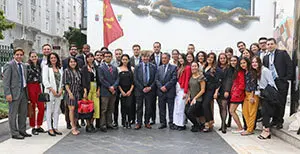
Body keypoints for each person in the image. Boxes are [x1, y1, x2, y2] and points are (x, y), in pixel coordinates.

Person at [263, 38, 293, 129]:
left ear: (275, 45)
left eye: (271, 44)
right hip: (271, 83)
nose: (270, 46)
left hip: (281, 81)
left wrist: (286, 78)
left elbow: (289, 65)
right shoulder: (266, 57)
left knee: (281, 102)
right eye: (268, 44)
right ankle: (274, 120)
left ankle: (280, 121)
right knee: (273, 101)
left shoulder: (282, 53)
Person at [3, 48, 31, 139]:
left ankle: (22, 131)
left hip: (23, 92)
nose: (19, 56)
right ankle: (14, 133)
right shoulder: (9, 65)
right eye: (17, 54)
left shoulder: (24, 65)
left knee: (23, 113)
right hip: (13, 93)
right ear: (14, 55)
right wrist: (8, 94)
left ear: (23, 56)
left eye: (21, 55)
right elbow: (6, 81)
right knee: (13, 114)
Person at [252, 56, 277, 139]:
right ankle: (265, 130)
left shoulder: (265, 70)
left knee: (265, 112)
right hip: (263, 94)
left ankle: (266, 131)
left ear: (260, 63)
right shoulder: (256, 71)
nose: (254, 64)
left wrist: (264, 92)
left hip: (269, 94)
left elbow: (271, 83)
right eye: (252, 62)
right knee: (264, 112)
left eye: (256, 62)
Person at [62, 45, 84, 130]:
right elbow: (65, 83)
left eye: (74, 62)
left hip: (77, 93)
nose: (73, 63)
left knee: (75, 110)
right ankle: (73, 127)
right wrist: (70, 93)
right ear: (68, 63)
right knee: (71, 110)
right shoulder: (66, 71)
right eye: (71, 62)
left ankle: (75, 124)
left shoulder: (78, 71)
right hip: (70, 93)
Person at [42, 52, 64, 136]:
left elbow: (62, 80)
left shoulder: (60, 68)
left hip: (59, 92)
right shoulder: (46, 67)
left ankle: (55, 127)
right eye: (51, 58)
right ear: (49, 59)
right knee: (49, 110)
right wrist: (52, 90)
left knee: (56, 110)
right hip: (50, 92)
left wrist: (61, 89)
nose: (53, 59)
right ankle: (50, 128)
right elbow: (45, 81)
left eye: (55, 58)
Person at [134, 50, 156, 129]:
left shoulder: (153, 67)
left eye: (147, 56)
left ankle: (147, 122)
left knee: (149, 107)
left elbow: (155, 79)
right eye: (144, 57)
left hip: (150, 90)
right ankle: (138, 122)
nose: (145, 58)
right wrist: (142, 88)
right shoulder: (137, 67)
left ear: (149, 57)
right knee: (139, 107)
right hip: (140, 90)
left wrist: (150, 87)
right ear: (141, 58)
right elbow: (135, 79)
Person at [98, 51, 119, 132]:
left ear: (111, 57)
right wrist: (109, 87)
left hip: (113, 91)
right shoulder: (101, 68)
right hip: (105, 91)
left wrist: (114, 87)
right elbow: (101, 79)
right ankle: (103, 125)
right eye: (106, 56)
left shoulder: (114, 68)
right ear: (103, 57)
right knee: (104, 109)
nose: (108, 58)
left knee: (111, 108)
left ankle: (109, 123)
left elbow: (117, 78)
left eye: (109, 56)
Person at [156, 53, 177, 129]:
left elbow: (174, 79)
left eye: (165, 58)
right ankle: (163, 123)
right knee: (161, 108)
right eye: (162, 58)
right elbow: (157, 79)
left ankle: (171, 123)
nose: (164, 59)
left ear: (169, 59)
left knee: (171, 108)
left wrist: (166, 86)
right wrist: (161, 87)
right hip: (161, 92)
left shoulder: (174, 68)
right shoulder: (159, 68)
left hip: (170, 91)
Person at [27, 51, 46, 135]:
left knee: (41, 107)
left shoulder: (39, 66)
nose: (34, 58)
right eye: (32, 56)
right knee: (32, 107)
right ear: (30, 58)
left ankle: (38, 125)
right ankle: (32, 126)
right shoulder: (27, 66)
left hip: (39, 86)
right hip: (31, 86)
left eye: (35, 56)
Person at [202, 52, 221, 132]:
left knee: (205, 105)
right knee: (205, 106)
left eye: (212, 57)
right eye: (208, 57)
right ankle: (210, 121)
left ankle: (208, 122)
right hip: (204, 89)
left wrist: (216, 92)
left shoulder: (216, 69)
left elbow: (219, 82)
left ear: (214, 59)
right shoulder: (205, 66)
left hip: (211, 89)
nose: (210, 59)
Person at [82, 53, 100, 132]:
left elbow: (99, 79)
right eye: (88, 57)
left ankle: (92, 123)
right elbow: (83, 80)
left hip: (95, 87)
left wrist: (98, 89)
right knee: (87, 107)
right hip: (88, 88)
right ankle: (88, 124)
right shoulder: (84, 68)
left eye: (91, 57)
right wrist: (85, 91)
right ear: (86, 59)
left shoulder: (96, 67)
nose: (90, 58)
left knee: (95, 107)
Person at [185, 62, 206, 132]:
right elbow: (190, 88)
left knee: (189, 112)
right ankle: (196, 124)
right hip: (191, 98)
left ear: (198, 67)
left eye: (195, 66)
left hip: (198, 99)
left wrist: (195, 98)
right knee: (186, 111)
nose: (193, 68)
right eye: (192, 66)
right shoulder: (191, 77)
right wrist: (189, 97)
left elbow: (202, 90)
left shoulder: (201, 77)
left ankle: (197, 125)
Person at [241, 57, 259, 136]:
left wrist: (252, 96)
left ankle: (249, 129)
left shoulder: (252, 72)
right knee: (245, 111)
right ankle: (249, 128)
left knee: (252, 112)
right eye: (241, 63)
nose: (242, 65)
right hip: (246, 93)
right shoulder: (245, 72)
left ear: (248, 63)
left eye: (244, 63)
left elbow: (253, 85)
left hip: (253, 94)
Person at [173, 54, 191, 131]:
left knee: (181, 107)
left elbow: (187, 80)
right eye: (179, 58)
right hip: (177, 89)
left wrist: (186, 92)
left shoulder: (187, 68)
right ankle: (176, 123)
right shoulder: (179, 67)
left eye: (182, 58)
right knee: (176, 107)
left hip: (183, 89)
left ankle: (181, 124)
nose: (180, 60)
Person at [229, 57, 246, 134]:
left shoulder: (240, 72)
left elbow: (242, 85)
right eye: (231, 61)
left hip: (237, 94)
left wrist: (236, 93)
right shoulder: (236, 71)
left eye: (235, 61)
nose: (233, 62)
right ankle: (240, 127)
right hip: (235, 93)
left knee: (232, 111)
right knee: (232, 111)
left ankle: (240, 127)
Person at [118, 54, 134, 128]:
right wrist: (121, 91)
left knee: (129, 106)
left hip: (130, 90)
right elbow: (117, 82)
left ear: (128, 60)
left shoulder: (132, 69)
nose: (124, 61)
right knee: (123, 107)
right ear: (121, 60)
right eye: (123, 59)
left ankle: (130, 121)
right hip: (121, 90)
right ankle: (124, 121)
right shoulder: (118, 69)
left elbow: (133, 82)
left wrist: (130, 91)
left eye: (126, 59)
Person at [216, 53, 230, 134]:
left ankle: (224, 126)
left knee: (224, 107)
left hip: (225, 90)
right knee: (220, 107)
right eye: (221, 58)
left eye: (224, 58)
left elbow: (229, 80)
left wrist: (227, 90)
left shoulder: (228, 68)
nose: (222, 60)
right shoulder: (217, 68)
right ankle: (223, 123)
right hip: (218, 89)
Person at [149, 42, 162, 125]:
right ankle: (153, 119)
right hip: (153, 82)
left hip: (161, 81)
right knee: (152, 102)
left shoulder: (164, 56)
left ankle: (162, 120)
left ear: (160, 48)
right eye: (155, 47)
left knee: (161, 103)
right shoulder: (150, 57)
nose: (156, 48)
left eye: (158, 47)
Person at [129, 44, 141, 124]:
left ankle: (141, 119)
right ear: (133, 50)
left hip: (141, 83)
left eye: (137, 49)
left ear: (139, 50)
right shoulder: (130, 60)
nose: (136, 51)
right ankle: (132, 118)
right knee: (132, 103)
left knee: (140, 104)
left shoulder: (143, 59)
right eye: (135, 49)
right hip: (132, 83)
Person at [112, 48, 123, 127]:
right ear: (115, 55)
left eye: (120, 54)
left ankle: (124, 120)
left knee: (125, 105)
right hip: (115, 87)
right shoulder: (112, 64)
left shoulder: (125, 63)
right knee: (115, 105)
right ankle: (115, 121)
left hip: (124, 87)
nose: (118, 55)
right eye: (117, 54)